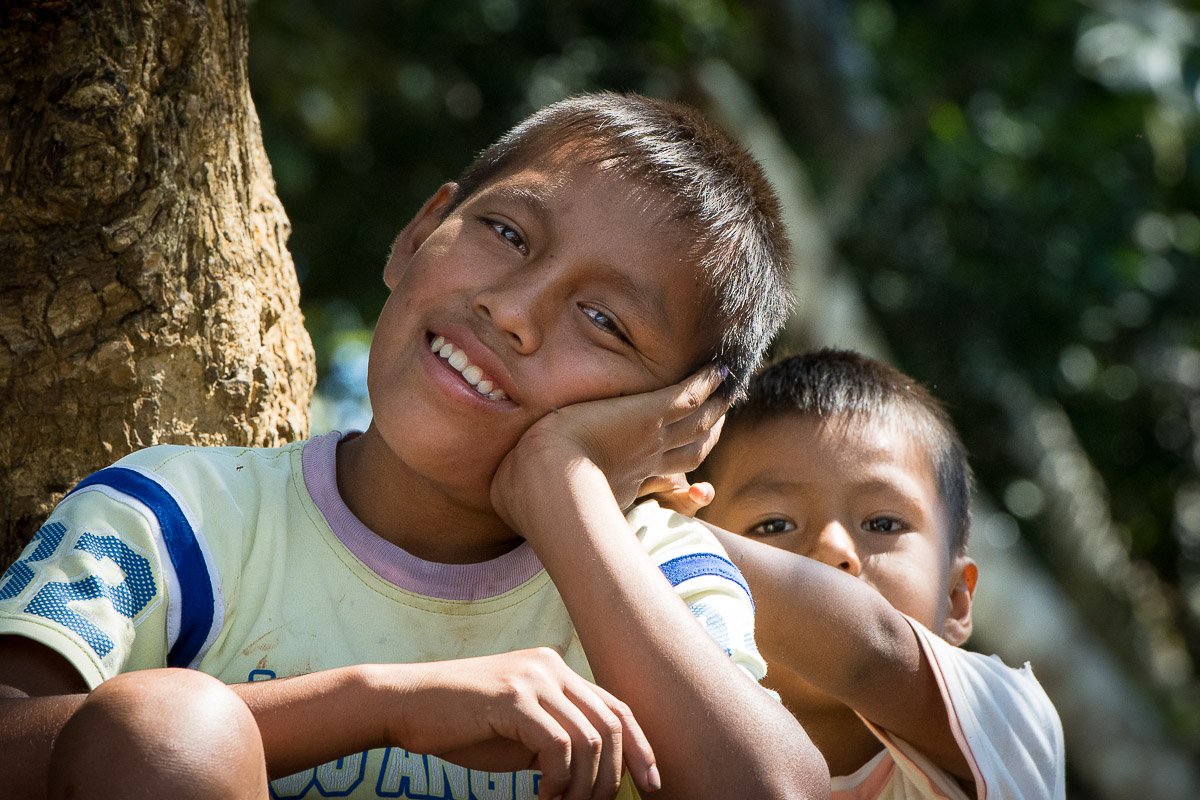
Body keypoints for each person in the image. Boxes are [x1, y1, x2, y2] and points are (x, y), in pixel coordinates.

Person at [0, 93, 827, 800]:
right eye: (507, 234)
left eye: (605, 321)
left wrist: (560, 486)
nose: (513, 310)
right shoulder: (180, 517)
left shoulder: (659, 577)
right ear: (420, 231)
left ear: (689, 418)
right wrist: (383, 706)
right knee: (174, 729)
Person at [688, 349, 1065, 799]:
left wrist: (648, 525)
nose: (833, 549)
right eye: (773, 525)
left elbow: (867, 652)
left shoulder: (1008, 722)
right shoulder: (644, 751)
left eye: (883, 524)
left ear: (957, 600)